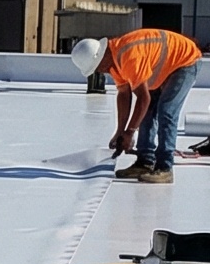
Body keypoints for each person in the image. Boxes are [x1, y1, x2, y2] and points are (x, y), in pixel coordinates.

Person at [77, 29, 203, 183]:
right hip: (164, 65)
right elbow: (124, 94)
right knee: (147, 112)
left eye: (97, 67)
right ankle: (145, 162)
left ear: (102, 56)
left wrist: (130, 133)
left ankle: (165, 167)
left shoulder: (128, 56)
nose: (100, 72)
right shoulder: (113, 61)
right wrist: (120, 132)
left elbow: (143, 98)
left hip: (184, 61)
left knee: (166, 111)